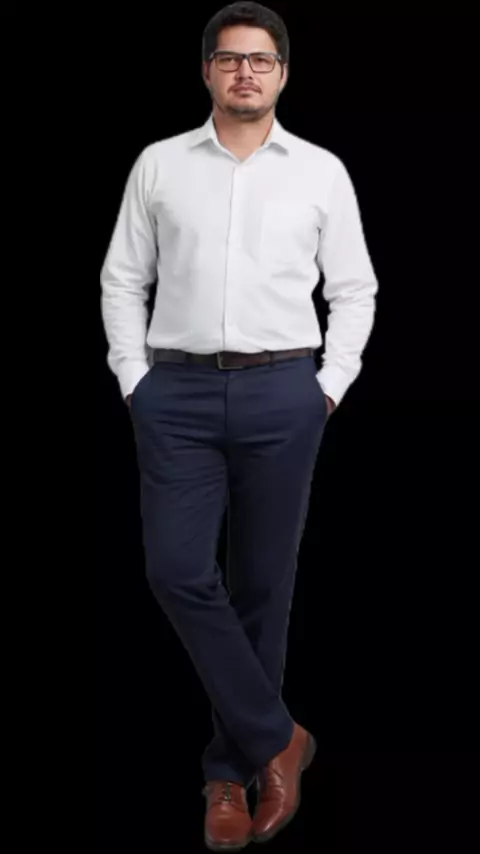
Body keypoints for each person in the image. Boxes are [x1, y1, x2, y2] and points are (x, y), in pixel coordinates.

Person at [100, 2, 378, 849]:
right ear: (208, 72)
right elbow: (122, 278)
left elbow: (355, 290)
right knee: (177, 569)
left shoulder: (321, 171)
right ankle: (279, 738)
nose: (245, 72)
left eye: (260, 60)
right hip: (175, 393)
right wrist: (134, 381)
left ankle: (228, 774)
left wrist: (327, 387)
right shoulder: (160, 164)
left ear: (283, 73)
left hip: (284, 390)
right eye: (230, 59)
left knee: (262, 584)